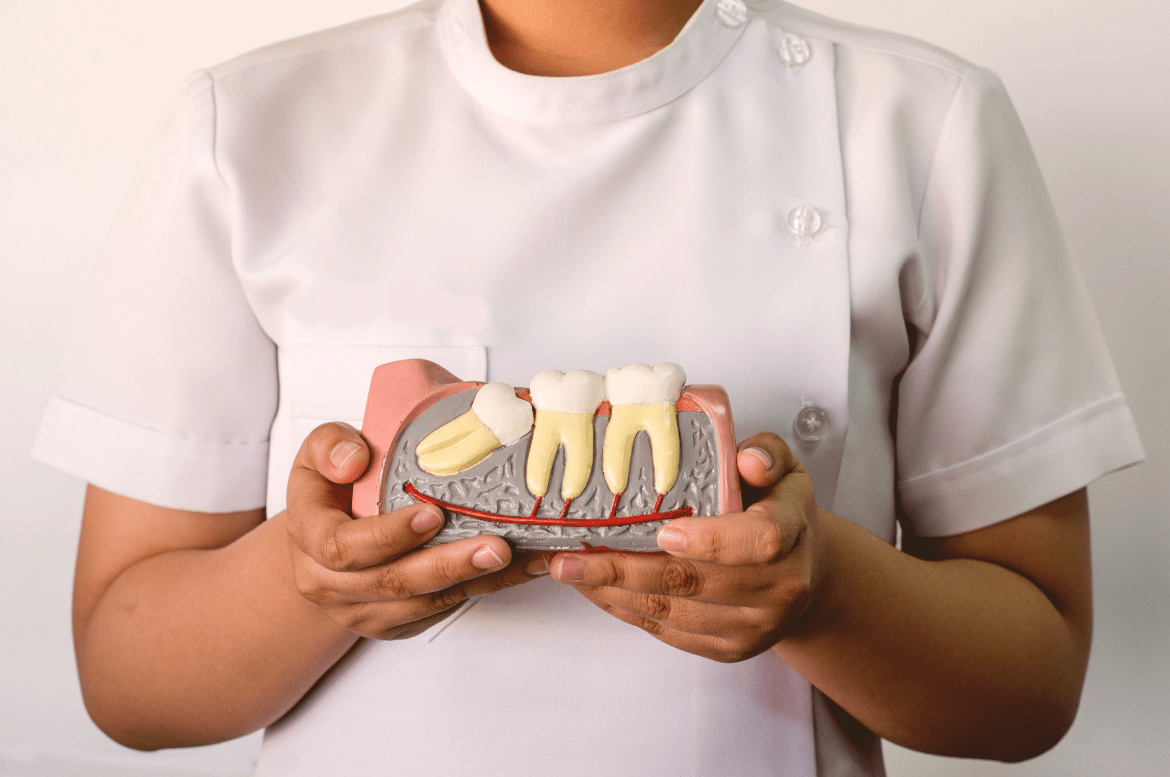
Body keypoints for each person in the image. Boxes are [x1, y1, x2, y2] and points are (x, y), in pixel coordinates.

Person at [33, 0, 1144, 774]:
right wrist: (308, 583)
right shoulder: (248, 126)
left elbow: (1029, 688)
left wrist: (823, 591)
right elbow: (129, 682)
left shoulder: (923, 119)